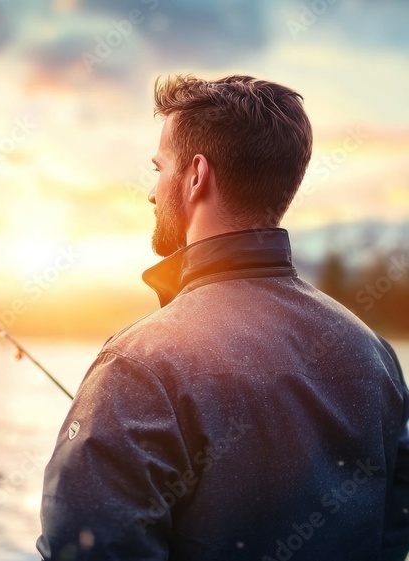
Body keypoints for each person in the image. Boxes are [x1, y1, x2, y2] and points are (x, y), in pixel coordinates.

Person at [36, 74, 409, 560]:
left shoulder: (140, 364)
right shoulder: (375, 355)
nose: (152, 192)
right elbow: (394, 528)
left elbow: (84, 550)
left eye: (159, 167)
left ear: (195, 175)